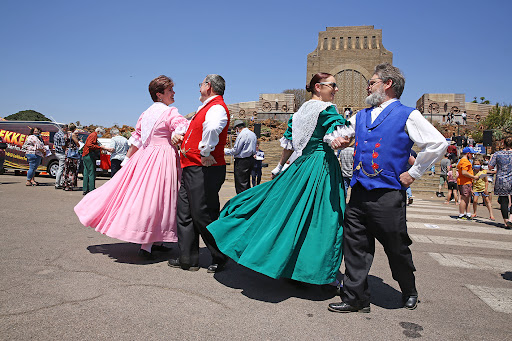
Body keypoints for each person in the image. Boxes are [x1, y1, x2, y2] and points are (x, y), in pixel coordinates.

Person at [205, 72, 350, 287]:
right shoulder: (327, 109)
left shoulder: (299, 112)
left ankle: (293, 267)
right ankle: (317, 273)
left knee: (291, 214)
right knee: (323, 217)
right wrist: (343, 140)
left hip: (300, 165)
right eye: (333, 85)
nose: (336, 89)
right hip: (321, 166)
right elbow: (338, 134)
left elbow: (289, 145)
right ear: (318, 87)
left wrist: (280, 166)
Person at [328, 63, 448, 313]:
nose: (368, 85)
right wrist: (337, 139)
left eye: (372, 82)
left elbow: (438, 143)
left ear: (388, 84)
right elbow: (340, 133)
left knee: (396, 247)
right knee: (355, 245)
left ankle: (408, 288)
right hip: (359, 191)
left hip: (388, 195)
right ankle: (356, 297)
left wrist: (413, 173)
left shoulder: (408, 114)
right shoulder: (361, 115)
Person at [75, 75, 189, 259]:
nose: (174, 93)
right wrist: (177, 134)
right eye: (170, 91)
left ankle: (154, 240)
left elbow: (136, 141)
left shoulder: (145, 114)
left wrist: (127, 162)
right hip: (162, 156)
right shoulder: (170, 112)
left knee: (146, 196)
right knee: (159, 198)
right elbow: (180, 127)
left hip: (145, 156)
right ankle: (148, 244)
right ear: (160, 94)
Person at [167, 74, 230, 273]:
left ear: (208, 86)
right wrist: (180, 136)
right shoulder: (207, 108)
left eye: (201, 84)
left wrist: (205, 152)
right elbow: (198, 129)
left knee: (203, 213)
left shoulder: (216, 106)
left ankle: (220, 256)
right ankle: (188, 258)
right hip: (192, 166)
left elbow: (212, 127)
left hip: (203, 166)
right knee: (185, 212)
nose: (199, 87)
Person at [224, 120, 257, 194]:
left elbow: (236, 150)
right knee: (247, 182)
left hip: (242, 161)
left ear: (237, 128)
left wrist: (226, 151)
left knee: (241, 184)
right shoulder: (252, 134)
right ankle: (247, 199)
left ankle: (242, 201)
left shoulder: (242, 135)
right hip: (250, 159)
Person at [489, 137, 512, 229]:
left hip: (501, 179)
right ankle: (511, 218)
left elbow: (490, 166)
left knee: (503, 201)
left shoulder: (497, 154)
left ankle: (506, 222)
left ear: (504, 144)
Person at [82, 127, 113, 195]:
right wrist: (100, 147)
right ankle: (91, 188)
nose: (101, 135)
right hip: (88, 155)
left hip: (85, 154)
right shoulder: (93, 135)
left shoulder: (92, 135)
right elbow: (90, 145)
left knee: (86, 172)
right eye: (101, 133)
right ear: (98, 132)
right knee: (91, 172)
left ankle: (85, 188)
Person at [456, 147, 479, 220]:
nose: (472, 155)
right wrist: (473, 176)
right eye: (471, 154)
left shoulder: (463, 161)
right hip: (464, 182)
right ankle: (462, 214)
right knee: (464, 198)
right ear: (468, 153)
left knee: (467, 198)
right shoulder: (465, 161)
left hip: (466, 182)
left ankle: (467, 213)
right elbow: (464, 172)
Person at [62, 123, 81, 191]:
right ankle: (69, 185)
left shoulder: (65, 135)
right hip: (72, 154)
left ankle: (64, 184)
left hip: (67, 152)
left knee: (66, 169)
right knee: (72, 169)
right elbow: (77, 143)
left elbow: (63, 145)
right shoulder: (72, 135)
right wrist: (79, 144)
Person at [53, 125, 68, 189]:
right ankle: (58, 183)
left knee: (61, 168)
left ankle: (60, 182)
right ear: (65, 129)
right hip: (61, 153)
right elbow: (63, 145)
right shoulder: (62, 135)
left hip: (57, 152)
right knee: (61, 168)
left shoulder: (56, 134)